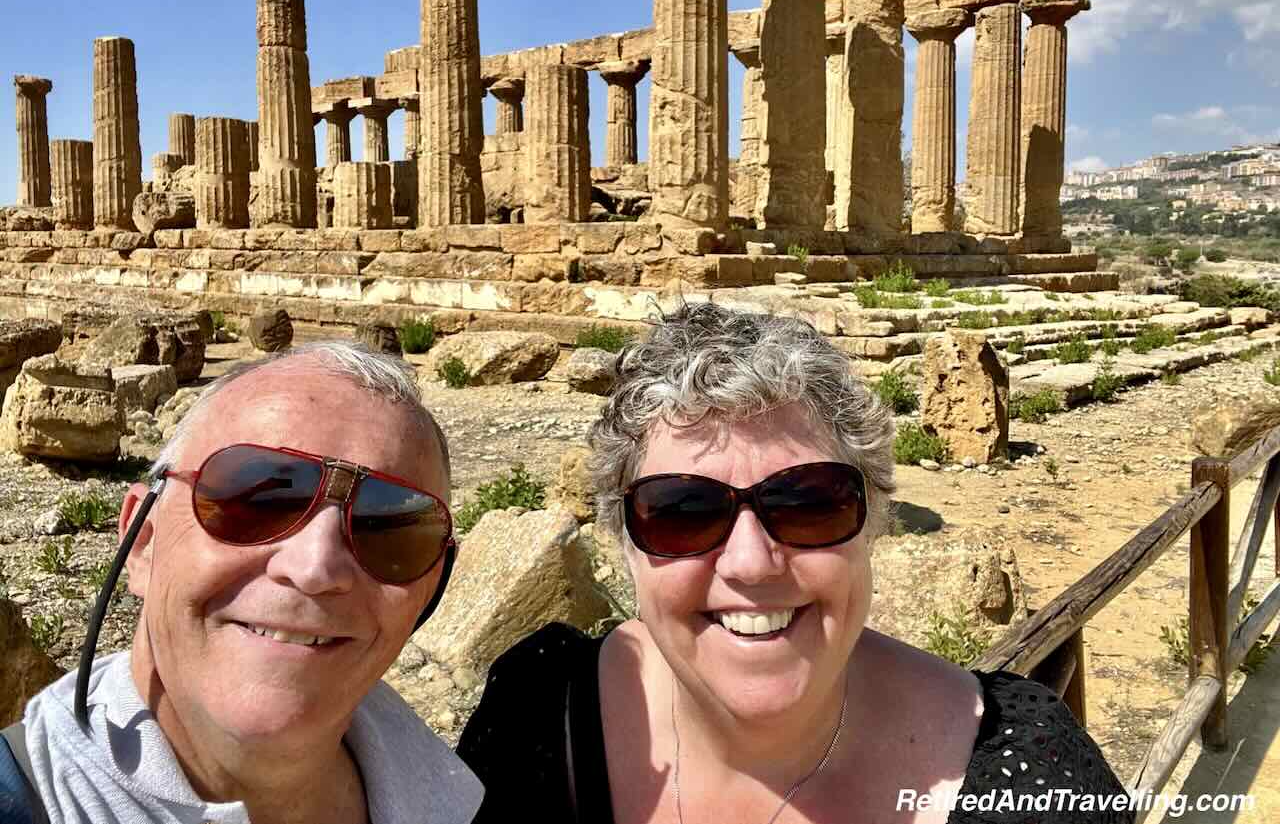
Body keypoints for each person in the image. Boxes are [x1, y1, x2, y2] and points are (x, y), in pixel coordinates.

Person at [458, 303, 1133, 823]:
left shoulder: (1037, 780)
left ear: (873, 523)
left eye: (810, 502)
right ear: (624, 539)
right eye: (683, 511)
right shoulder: (534, 722)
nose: (751, 562)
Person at [8, 341, 482, 824]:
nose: (315, 569)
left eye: (388, 527)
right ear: (142, 540)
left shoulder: (466, 794)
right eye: (255, 500)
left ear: (431, 588)